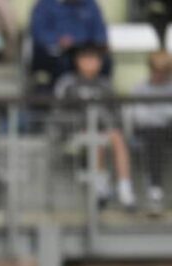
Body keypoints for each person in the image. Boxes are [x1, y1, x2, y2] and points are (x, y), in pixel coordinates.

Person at [54, 43, 136, 210]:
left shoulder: (106, 85)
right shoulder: (67, 84)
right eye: (87, 59)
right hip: (75, 133)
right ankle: (101, 188)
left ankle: (124, 188)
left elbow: (116, 114)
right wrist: (78, 126)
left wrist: (108, 126)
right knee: (96, 138)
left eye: (96, 59)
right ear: (78, 61)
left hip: (104, 131)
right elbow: (58, 114)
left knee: (116, 137)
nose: (92, 63)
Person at [29, 0, 109, 93]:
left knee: (106, 61)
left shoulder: (90, 4)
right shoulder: (44, 5)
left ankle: (102, 97)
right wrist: (58, 40)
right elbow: (39, 34)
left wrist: (91, 48)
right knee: (63, 62)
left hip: (84, 50)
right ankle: (63, 97)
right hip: (58, 52)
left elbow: (100, 32)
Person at [128, 50, 172, 214]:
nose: (160, 75)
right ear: (150, 69)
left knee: (157, 132)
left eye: (164, 72)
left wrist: (156, 114)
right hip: (147, 133)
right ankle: (155, 191)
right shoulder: (139, 89)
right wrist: (164, 114)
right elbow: (139, 117)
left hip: (168, 131)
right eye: (157, 71)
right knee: (154, 136)